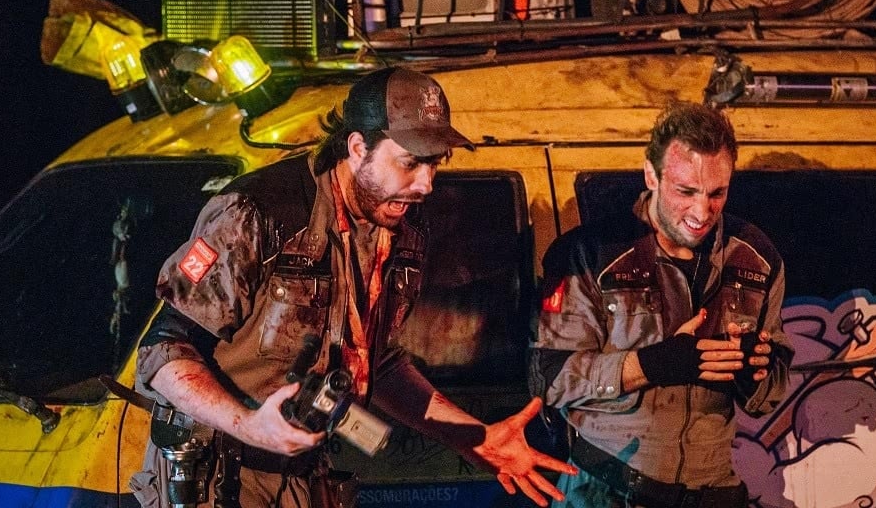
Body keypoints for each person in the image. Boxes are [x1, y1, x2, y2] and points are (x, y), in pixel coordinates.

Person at [132, 67, 575, 508]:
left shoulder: (402, 226)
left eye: (435, 163)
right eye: (410, 163)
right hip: (218, 477)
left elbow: (377, 361)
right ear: (358, 147)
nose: (426, 184)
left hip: (306, 474)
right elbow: (162, 348)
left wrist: (471, 436)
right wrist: (248, 424)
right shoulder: (260, 212)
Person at [528, 101, 792, 508]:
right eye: (685, 191)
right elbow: (550, 379)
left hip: (715, 493)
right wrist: (651, 364)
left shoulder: (755, 257)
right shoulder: (592, 253)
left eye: (717, 193)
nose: (702, 212)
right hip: (608, 490)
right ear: (651, 174)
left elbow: (772, 392)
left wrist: (755, 373)